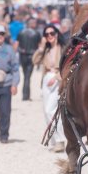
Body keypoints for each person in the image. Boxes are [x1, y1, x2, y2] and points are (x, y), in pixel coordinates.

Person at [32, 24, 66, 152]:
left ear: (57, 34)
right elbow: (34, 61)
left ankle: (60, 140)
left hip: (58, 80)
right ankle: (55, 140)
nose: (49, 36)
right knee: (46, 111)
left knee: (51, 110)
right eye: (47, 34)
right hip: (46, 79)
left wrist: (57, 77)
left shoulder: (62, 48)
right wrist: (41, 48)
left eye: (52, 33)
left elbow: (68, 66)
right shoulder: (45, 49)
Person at [0, 24, 20, 143]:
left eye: (2, 34)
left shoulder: (10, 49)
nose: (0, 36)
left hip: (5, 84)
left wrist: (15, 84)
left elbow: (15, 68)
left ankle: (4, 136)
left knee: (5, 112)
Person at [16, 18, 41, 101]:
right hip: (31, 56)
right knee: (27, 76)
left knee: (25, 76)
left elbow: (17, 45)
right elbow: (39, 46)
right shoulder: (36, 33)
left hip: (23, 56)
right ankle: (26, 95)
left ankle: (25, 94)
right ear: (31, 24)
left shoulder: (21, 32)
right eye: (34, 23)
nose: (35, 24)